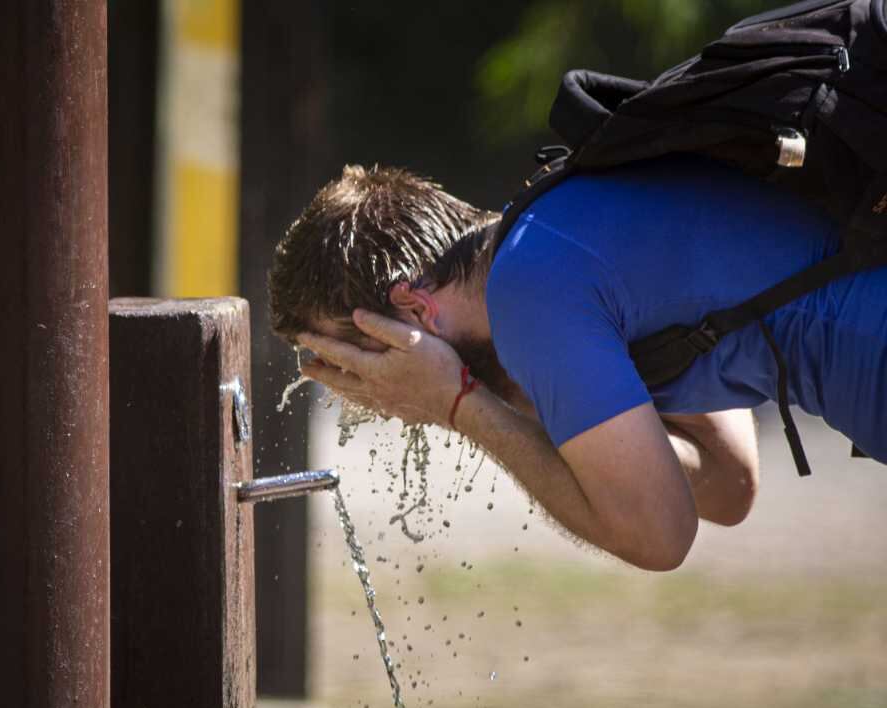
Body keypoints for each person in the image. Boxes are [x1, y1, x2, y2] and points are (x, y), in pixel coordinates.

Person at [268, 158, 887, 571]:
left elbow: (658, 535)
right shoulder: (560, 229)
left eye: (354, 357)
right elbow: (728, 484)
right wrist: (500, 395)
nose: (368, 392)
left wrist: (458, 404)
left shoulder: (528, 288)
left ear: (413, 308)